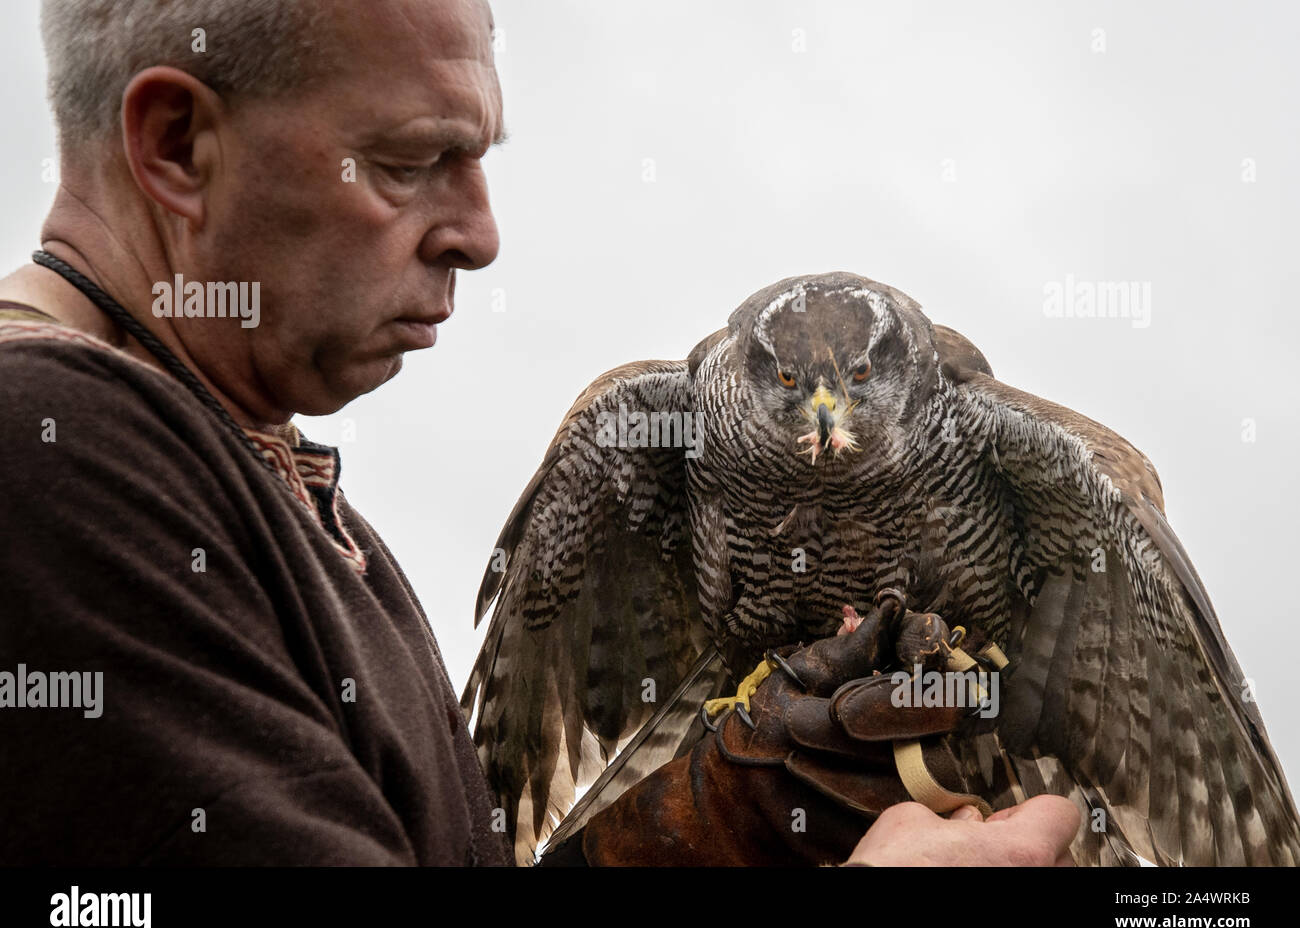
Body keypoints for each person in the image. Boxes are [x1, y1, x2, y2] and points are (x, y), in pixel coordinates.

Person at [0, 0, 1078, 866]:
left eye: (481, 160)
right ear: (177, 145)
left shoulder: (255, 475)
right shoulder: (56, 450)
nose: (481, 234)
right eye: (410, 161)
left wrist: (734, 809)